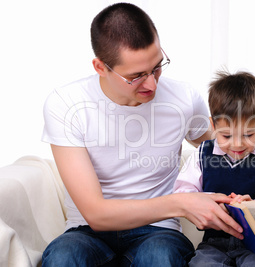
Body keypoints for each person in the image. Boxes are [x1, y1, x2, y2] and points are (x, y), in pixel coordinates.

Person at [41, 3, 243, 266]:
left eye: (157, 67)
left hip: (159, 231)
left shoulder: (182, 98)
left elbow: (223, 150)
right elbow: (96, 214)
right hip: (87, 231)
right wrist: (182, 204)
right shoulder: (67, 104)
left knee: (160, 256)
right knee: (64, 257)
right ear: (100, 67)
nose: (152, 84)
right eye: (136, 76)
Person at [174, 70, 255, 266]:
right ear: (213, 125)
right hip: (215, 243)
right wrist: (207, 203)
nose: (237, 145)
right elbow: (182, 193)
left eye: (248, 135)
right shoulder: (202, 154)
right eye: (226, 136)